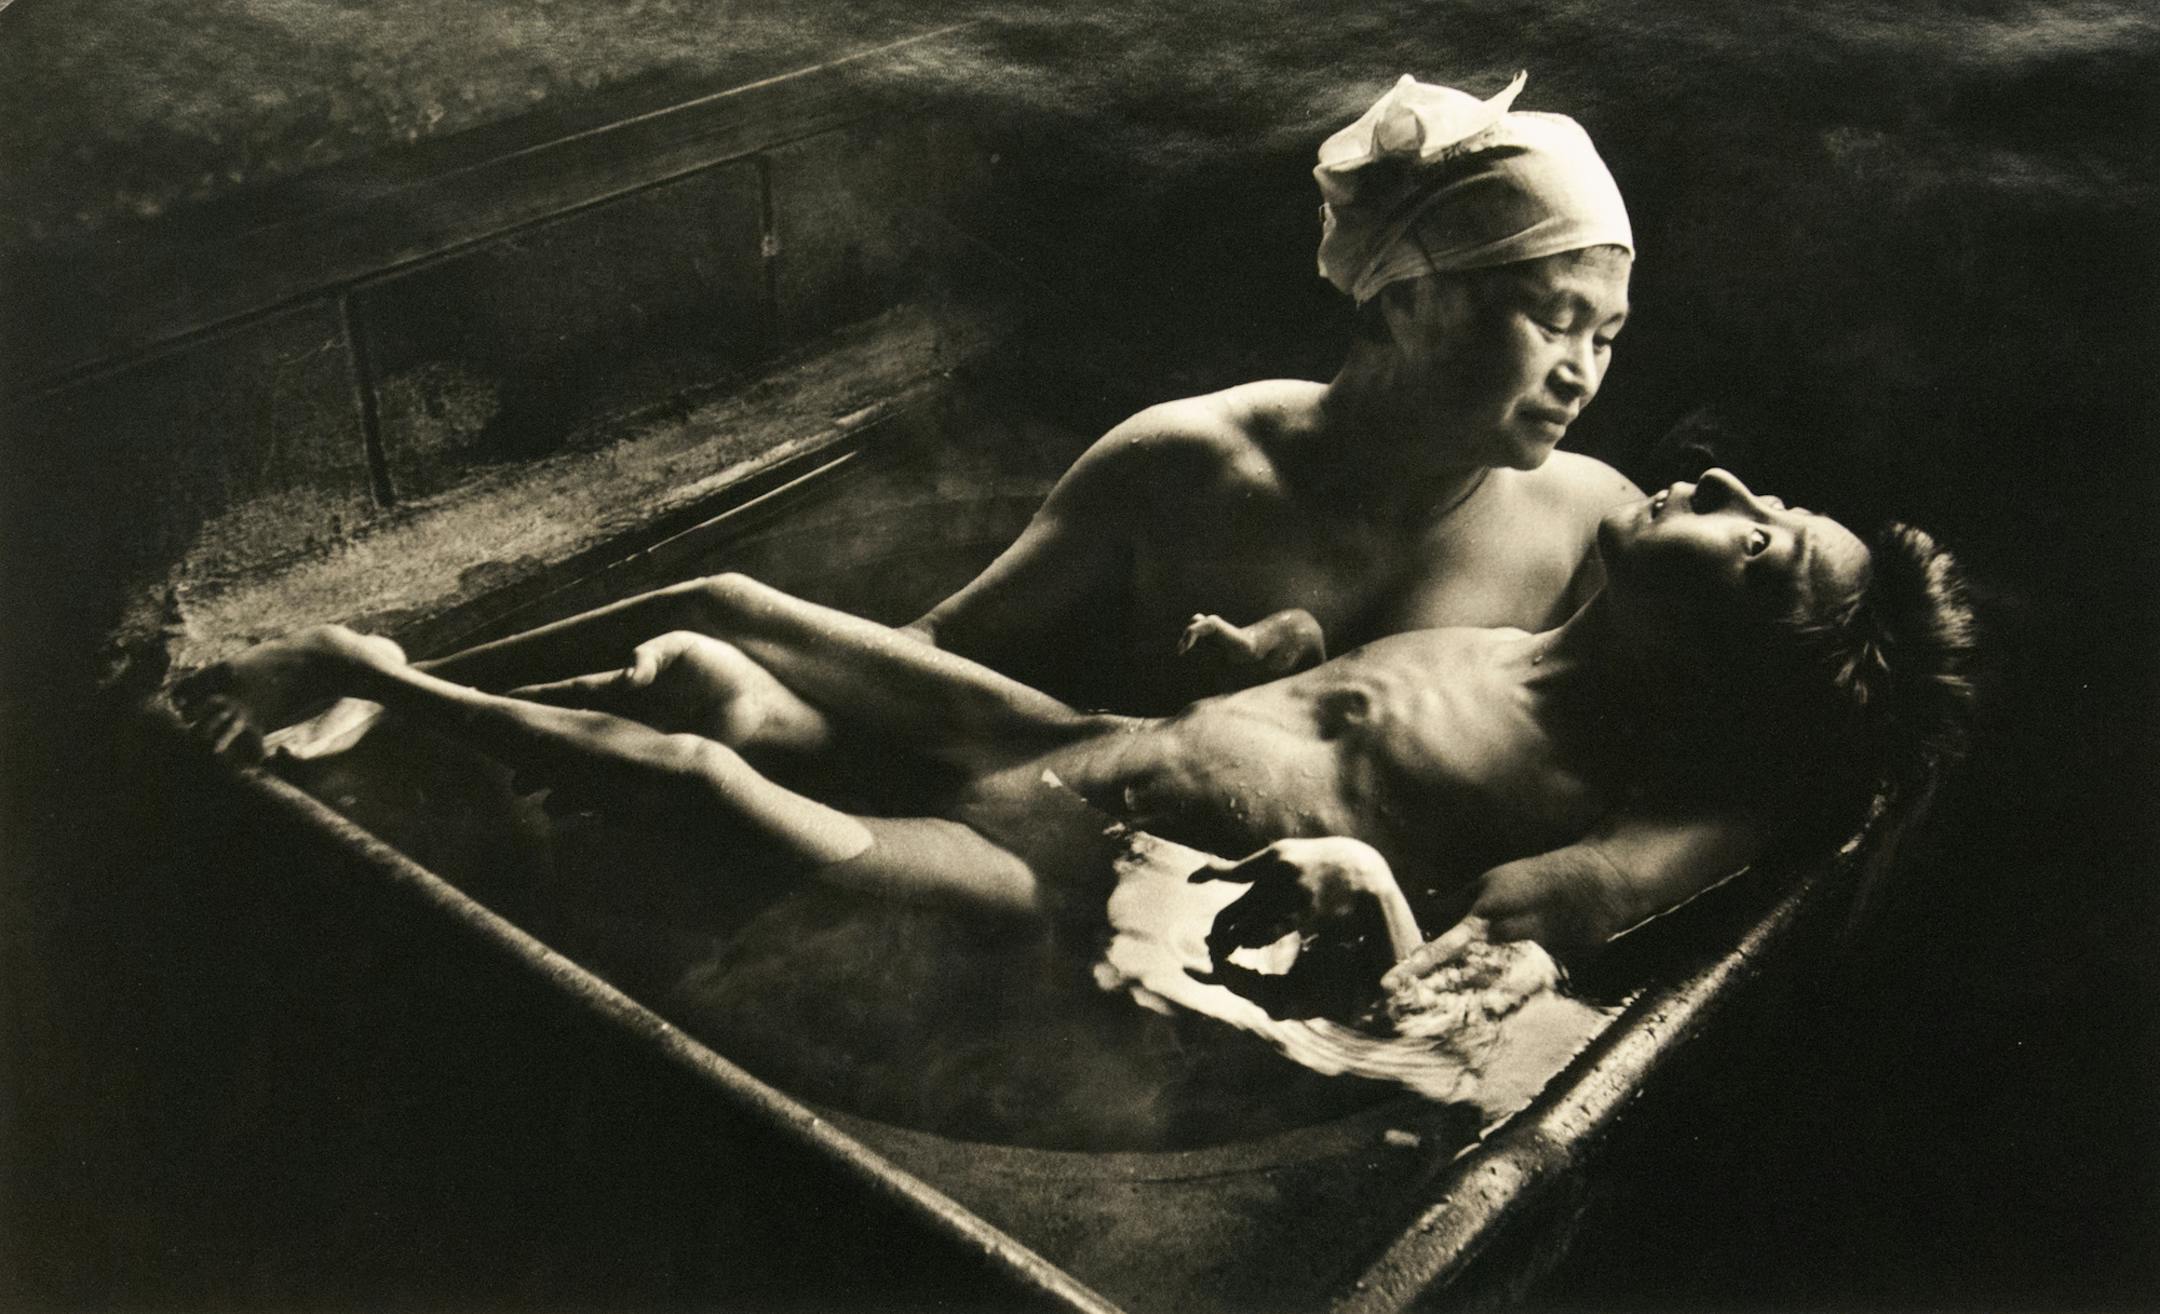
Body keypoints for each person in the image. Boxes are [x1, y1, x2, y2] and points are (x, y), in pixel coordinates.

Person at [173, 472, 1978, 1017]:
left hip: (1065, 880)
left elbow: (1497, 938)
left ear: (1736, 655)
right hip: (1085, 741)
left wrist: (1383, 904)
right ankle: (434, 684)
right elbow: (1327, 693)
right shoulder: (1514, 626)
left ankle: (364, 672)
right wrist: (1271, 651)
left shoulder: (1605, 789)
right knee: (734, 599)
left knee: (716, 779)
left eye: (1759, 541)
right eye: (1761, 498)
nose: (1721, 482)